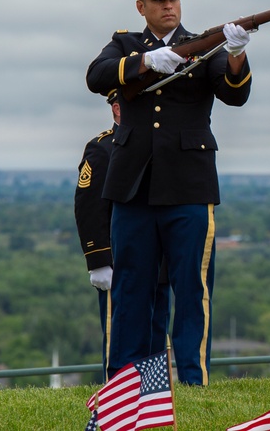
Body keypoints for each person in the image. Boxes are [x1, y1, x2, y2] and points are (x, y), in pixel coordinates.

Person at [85, 0, 252, 385]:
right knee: (130, 292)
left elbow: (235, 95)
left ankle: (193, 381)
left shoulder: (203, 44)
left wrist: (235, 55)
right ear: (141, 6)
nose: (169, 6)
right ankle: (123, 383)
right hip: (134, 187)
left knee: (191, 292)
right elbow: (96, 76)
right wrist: (143, 62)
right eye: (159, 0)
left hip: (189, 185)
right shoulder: (124, 44)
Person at [73, 89, 170, 380]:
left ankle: (153, 397)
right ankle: (118, 395)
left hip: (159, 263)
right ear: (117, 109)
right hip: (121, 264)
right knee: (120, 340)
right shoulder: (102, 147)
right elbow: (88, 206)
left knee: (156, 336)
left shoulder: (160, 142)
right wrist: (98, 260)